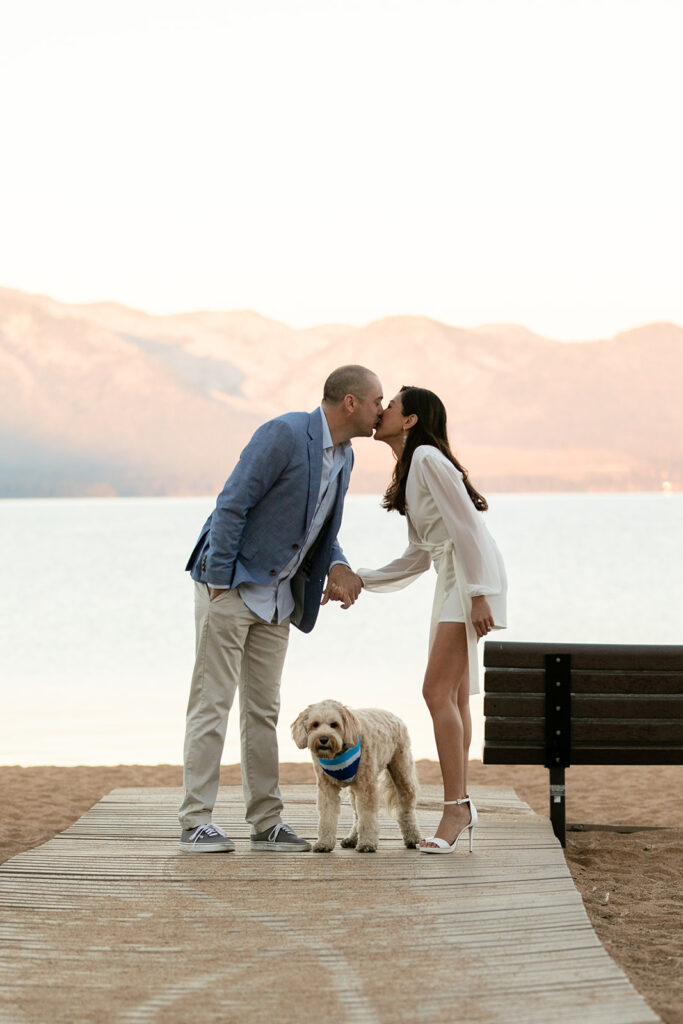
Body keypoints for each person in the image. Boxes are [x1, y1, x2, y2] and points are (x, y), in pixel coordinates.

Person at [179, 365, 383, 853]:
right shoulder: (285, 433)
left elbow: (322, 531)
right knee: (212, 704)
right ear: (350, 403)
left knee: (263, 711)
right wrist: (219, 581)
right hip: (231, 588)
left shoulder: (346, 456)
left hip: (279, 601)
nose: (382, 408)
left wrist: (337, 565)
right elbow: (232, 503)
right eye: (377, 400)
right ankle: (195, 821)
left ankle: (266, 822)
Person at [352, 386, 507, 854]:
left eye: (390, 406)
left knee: (435, 692)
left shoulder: (428, 461)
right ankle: (460, 801)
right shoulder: (412, 466)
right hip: (454, 577)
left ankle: (456, 805)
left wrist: (479, 595)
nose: (380, 412)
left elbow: (467, 528)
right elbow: (419, 555)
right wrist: (363, 580)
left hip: (468, 579)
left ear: (412, 420)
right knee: (455, 695)